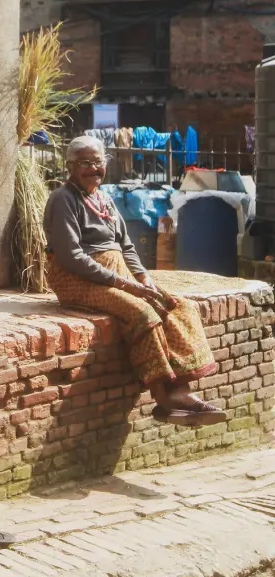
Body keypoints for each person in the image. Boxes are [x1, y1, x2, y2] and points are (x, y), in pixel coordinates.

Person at [44, 135, 225, 426]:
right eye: (85, 163)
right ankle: (163, 398)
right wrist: (124, 284)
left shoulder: (105, 199)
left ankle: (181, 391)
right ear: (70, 167)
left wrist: (142, 278)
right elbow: (71, 256)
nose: (93, 168)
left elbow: (126, 247)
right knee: (142, 313)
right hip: (77, 278)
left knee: (178, 306)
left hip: (118, 273)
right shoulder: (63, 199)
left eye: (98, 162)